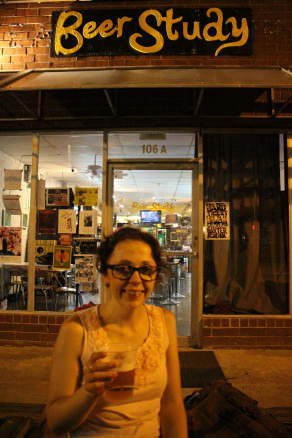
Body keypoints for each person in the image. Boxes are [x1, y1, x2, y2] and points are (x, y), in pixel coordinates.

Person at [46, 226, 188, 438]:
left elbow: (172, 403)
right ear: (105, 275)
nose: (136, 280)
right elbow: (56, 423)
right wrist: (88, 392)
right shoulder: (77, 330)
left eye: (146, 269)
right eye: (123, 269)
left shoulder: (164, 321)